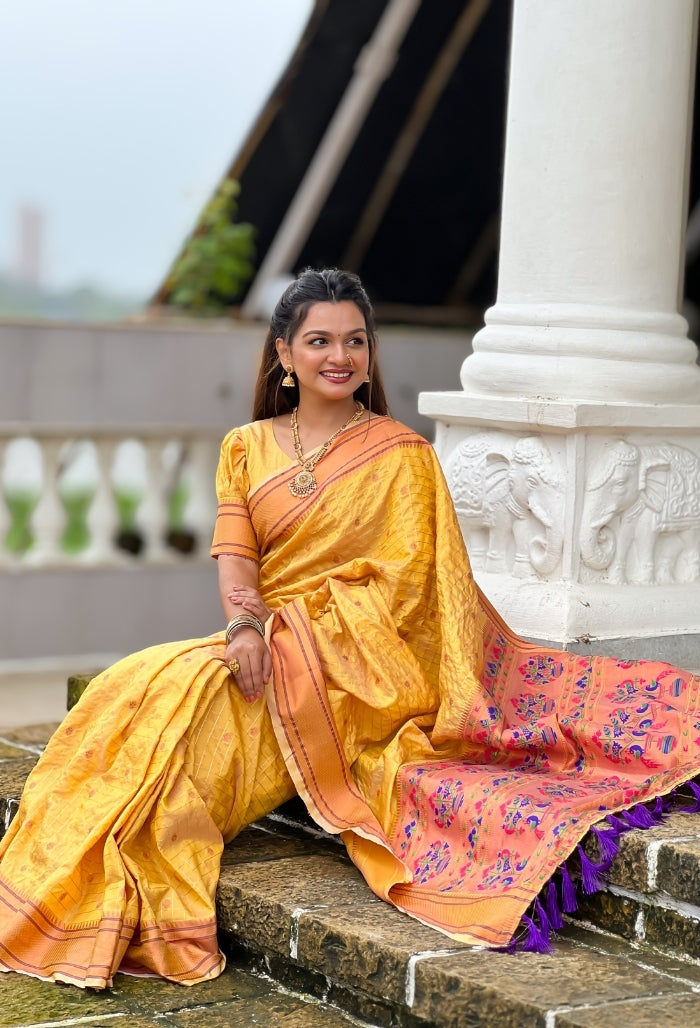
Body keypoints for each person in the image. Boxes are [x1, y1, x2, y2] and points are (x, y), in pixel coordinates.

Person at [1, 267, 699, 988]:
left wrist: (294, 640)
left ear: (370, 354)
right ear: (283, 354)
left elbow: (406, 598)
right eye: (320, 340)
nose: (340, 356)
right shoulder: (246, 447)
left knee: (193, 742)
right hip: (263, 644)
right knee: (135, 688)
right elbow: (238, 564)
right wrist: (245, 630)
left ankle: (102, 894)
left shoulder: (404, 458)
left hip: (352, 675)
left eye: (355, 341)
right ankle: (64, 888)